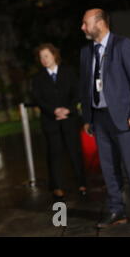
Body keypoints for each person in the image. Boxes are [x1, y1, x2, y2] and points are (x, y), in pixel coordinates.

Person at [80, 8, 130, 228]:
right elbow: (84, 88)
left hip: (123, 118)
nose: (82, 28)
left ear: (100, 23)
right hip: (99, 119)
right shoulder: (86, 52)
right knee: (108, 169)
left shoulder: (123, 45)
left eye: (85, 23)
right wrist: (88, 117)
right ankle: (116, 211)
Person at [31, 43, 87, 200]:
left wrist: (68, 109)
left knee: (74, 151)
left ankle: (82, 183)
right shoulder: (38, 78)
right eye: (41, 57)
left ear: (54, 55)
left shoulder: (68, 72)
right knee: (54, 154)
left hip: (69, 119)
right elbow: (38, 98)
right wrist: (54, 111)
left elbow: (77, 92)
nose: (44, 60)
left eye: (46, 56)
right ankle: (57, 186)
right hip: (51, 121)